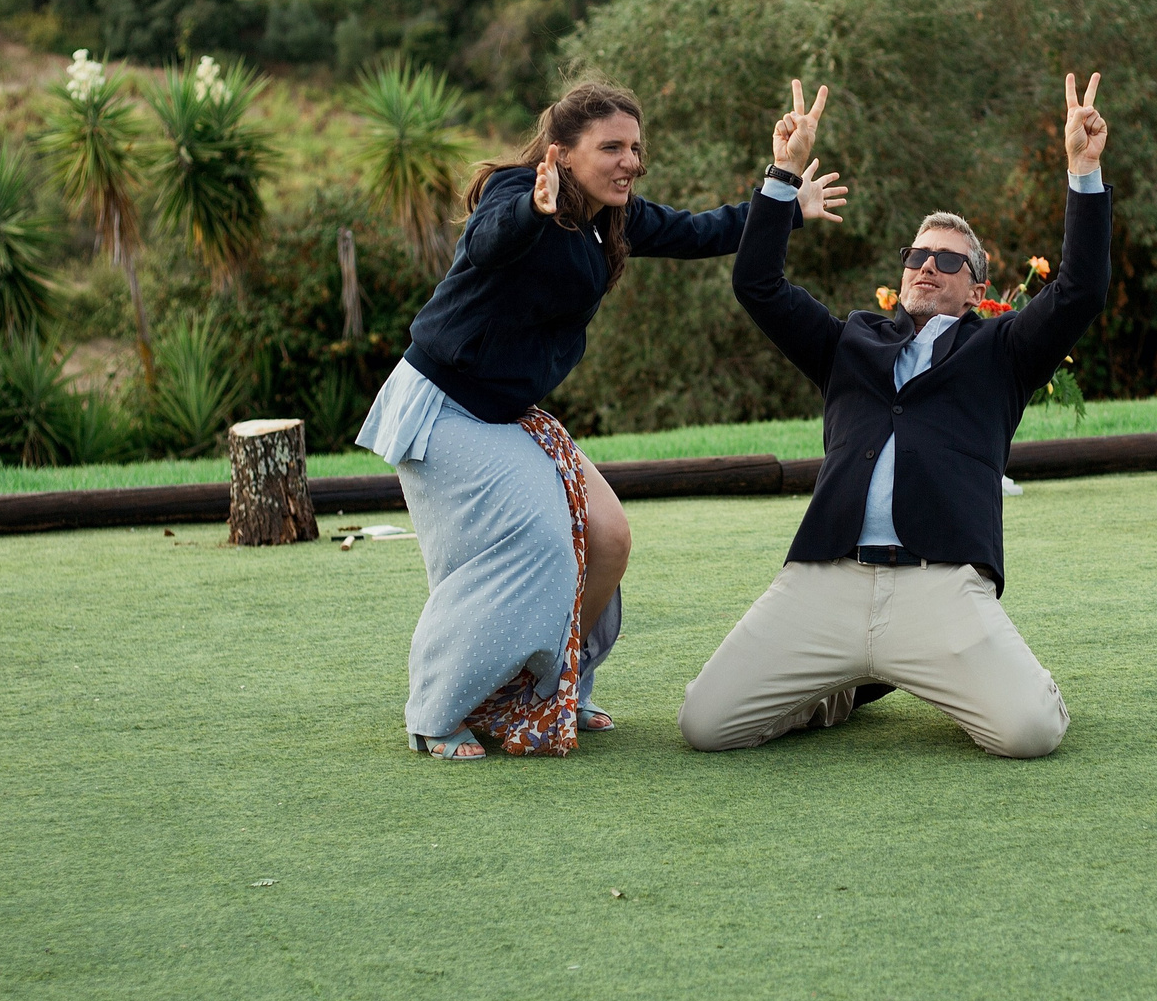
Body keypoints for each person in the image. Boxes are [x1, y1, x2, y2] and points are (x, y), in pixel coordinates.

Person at [355, 79, 845, 760]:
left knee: (607, 535)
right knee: (542, 545)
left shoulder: (612, 216)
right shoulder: (516, 193)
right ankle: (438, 709)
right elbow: (490, 242)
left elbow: (702, 230)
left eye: (636, 148)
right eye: (611, 147)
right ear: (561, 153)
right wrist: (532, 205)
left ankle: (555, 687)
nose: (629, 161)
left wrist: (785, 189)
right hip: (446, 406)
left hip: (507, 412)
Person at [677, 75, 1112, 758]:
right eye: (918, 255)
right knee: (704, 725)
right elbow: (756, 284)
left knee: (1029, 733)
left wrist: (1082, 170)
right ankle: (846, 684)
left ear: (977, 287)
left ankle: (960, 670)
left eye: (948, 260)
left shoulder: (1001, 352)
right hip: (826, 578)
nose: (928, 266)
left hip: (940, 584)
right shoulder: (849, 341)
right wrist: (784, 172)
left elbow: (1082, 290)